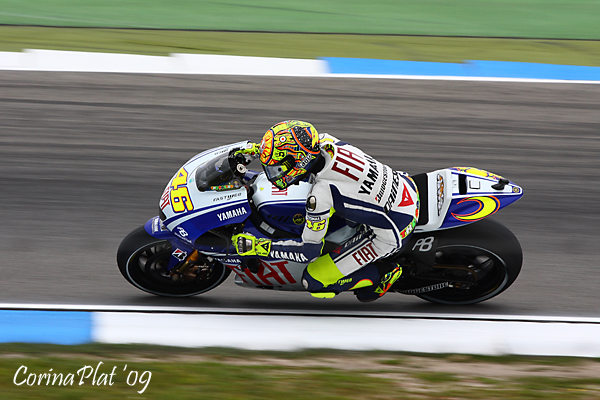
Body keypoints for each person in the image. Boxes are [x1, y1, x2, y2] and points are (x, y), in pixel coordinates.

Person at [232, 120, 419, 302]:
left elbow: (308, 252)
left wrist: (258, 247)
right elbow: (292, 145)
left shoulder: (320, 196)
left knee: (314, 280)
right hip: (405, 185)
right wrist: (257, 150)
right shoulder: (325, 142)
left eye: (277, 168)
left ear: (299, 163)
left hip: (395, 228)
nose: (274, 173)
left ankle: (383, 274)